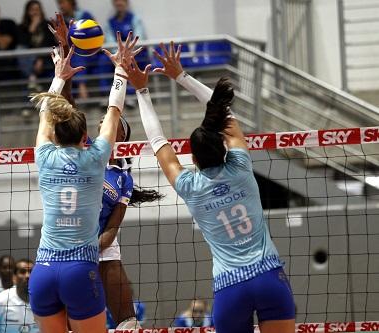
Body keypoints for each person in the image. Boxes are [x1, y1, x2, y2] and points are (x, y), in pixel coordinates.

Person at [118, 42, 296, 333]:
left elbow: (157, 141)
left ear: (195, 159)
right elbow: (223, 112)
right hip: (269, 277)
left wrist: (142, 90)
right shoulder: (240, 167)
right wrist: (181, 76)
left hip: (230, 287)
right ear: (224, 149)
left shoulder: (190, 185)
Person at [27, 25, 140, 331]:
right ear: (86, 136)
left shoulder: (45, 156)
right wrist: (121, 71)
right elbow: (114, 109)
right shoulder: (95, 157)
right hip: (80, 266)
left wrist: (59, 74)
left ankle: (129, 320)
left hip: (44, 269)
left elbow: (48, 114)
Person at [97, 116, 160, 329]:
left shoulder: (124, 178)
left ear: (122, 134)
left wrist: (96, 246)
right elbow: (69, 107)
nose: (101, 122)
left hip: (104, 242)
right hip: (72, 239)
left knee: (128, 324)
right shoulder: (88, 150)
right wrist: (63, 82)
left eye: (108, 119)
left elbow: (114, 225)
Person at [0, 259, 36, 333]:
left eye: (31, 272)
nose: (28, 276)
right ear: (14, 277)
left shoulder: (45, 302)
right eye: (22, 272)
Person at [57, 0, 96, 99]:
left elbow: (95, 32)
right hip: (73, 53)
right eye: (59, 3)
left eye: (62, 2)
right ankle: (82, 89)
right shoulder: (60, 20)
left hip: (89, 50)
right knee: (75, 57)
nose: (60, 6)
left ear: (71, 3)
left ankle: (83, 90)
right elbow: (59, 40)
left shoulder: (85, 15)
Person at [17, 0, 56, 89]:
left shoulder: (48, 25)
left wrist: (40, 59)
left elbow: (49, 44)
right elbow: (23, 45)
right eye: (32, 10)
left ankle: (32, 78)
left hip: (46, 58)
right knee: (20, 49)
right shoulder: (22, 27)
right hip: (29, 61)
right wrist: (32, 28)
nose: (35, 13)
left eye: (37, 10)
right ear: (27, 12)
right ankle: (32, 76)